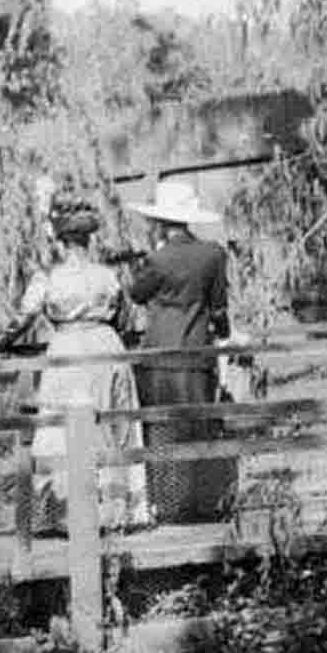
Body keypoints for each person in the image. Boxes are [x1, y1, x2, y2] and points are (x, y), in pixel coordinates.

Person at [1, 190, 148, 533]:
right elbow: (126, 320)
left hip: (68, 350)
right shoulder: (107, 275)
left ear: (59, 240)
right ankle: (117, 512)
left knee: (62, 429)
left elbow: (22, 319)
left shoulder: (48, 278)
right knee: (113, 426)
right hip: (106, 349)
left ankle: (66, 515)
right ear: (87, 237)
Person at [121, 177, 233, 523]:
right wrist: (224, 338)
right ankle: (203, 505)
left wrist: (134, 266)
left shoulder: (157, 261)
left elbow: (136, 295)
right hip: (197, 352)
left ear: (159, 222)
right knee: (198, 427)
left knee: (161, 430)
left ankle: (168, 507)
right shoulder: (213, 255)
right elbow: (218, 307)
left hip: (158, 355)